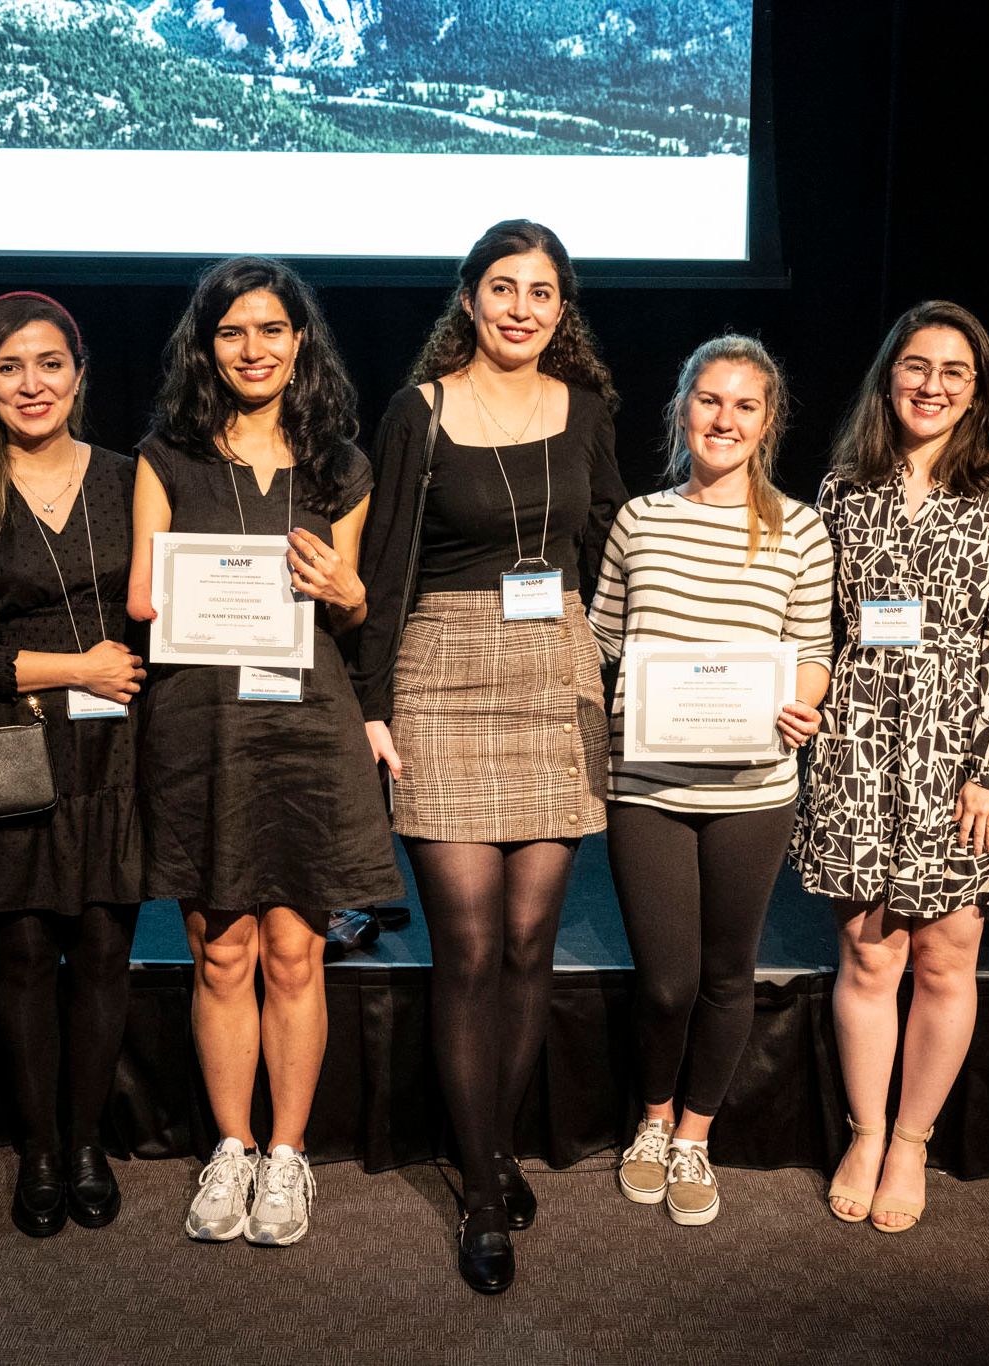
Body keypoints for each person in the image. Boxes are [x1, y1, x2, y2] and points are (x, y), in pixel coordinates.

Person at [354, 220, 626, 1293]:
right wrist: (373, 704)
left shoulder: (587, 411)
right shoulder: (417, 411)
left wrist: (642, 675)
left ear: (562, 309)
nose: (521, 308)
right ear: (468, 298)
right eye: (503, 288)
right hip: (441, 676)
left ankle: (493, 1142)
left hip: (555, 672)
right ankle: (478, 1191)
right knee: (467, 947)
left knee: (527, 943)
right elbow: (386, 566)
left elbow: (610, 552)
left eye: (541, 292)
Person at [128, 257, 401, 1249]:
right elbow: (142, 598)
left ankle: (287, 1154)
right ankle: (232, 1146)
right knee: (222, 950)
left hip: (305, 726)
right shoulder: (165, 456)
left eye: (271, 330)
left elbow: (357, 606)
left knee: (295, 951)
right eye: (232, 332)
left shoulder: (340, 465)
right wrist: (180, 588)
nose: (253, 349)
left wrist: (346, 592)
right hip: (201, 727)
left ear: (300, 342)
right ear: (207, 347)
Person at [793, 300, 989, 1233]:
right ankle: (866, 1132)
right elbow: (822, 625)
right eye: (916, 366)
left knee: (947, 959)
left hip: (964, 757)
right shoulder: (845, 490)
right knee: (868, 952)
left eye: (955, 371)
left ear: (980, 389)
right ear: (888, 378)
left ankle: (912, 1142)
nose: (933, 385)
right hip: (860, 746)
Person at [589, 336, 833, 1226]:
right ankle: (652, 1121)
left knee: (728, 975)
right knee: (665, 982)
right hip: (647, 787)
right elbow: (602, 642)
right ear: (682, 410)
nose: (724, 419)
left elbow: (813, 650)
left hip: (753, 792)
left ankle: (694, 1134)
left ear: (768, 423)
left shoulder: (800, 528)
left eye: (745, 405)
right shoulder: (639, 521)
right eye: (709, 400)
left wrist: (803, 705)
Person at [0, 292, 145, 1238]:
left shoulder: (132, 478)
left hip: (117, 747)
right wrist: (77, 667)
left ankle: (86, 1143)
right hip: (11, 750)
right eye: (9, 367)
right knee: (19, 958)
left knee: (102, 951)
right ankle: (40, 1152)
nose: (32, 384)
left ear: (79, 374)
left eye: (50, 363)